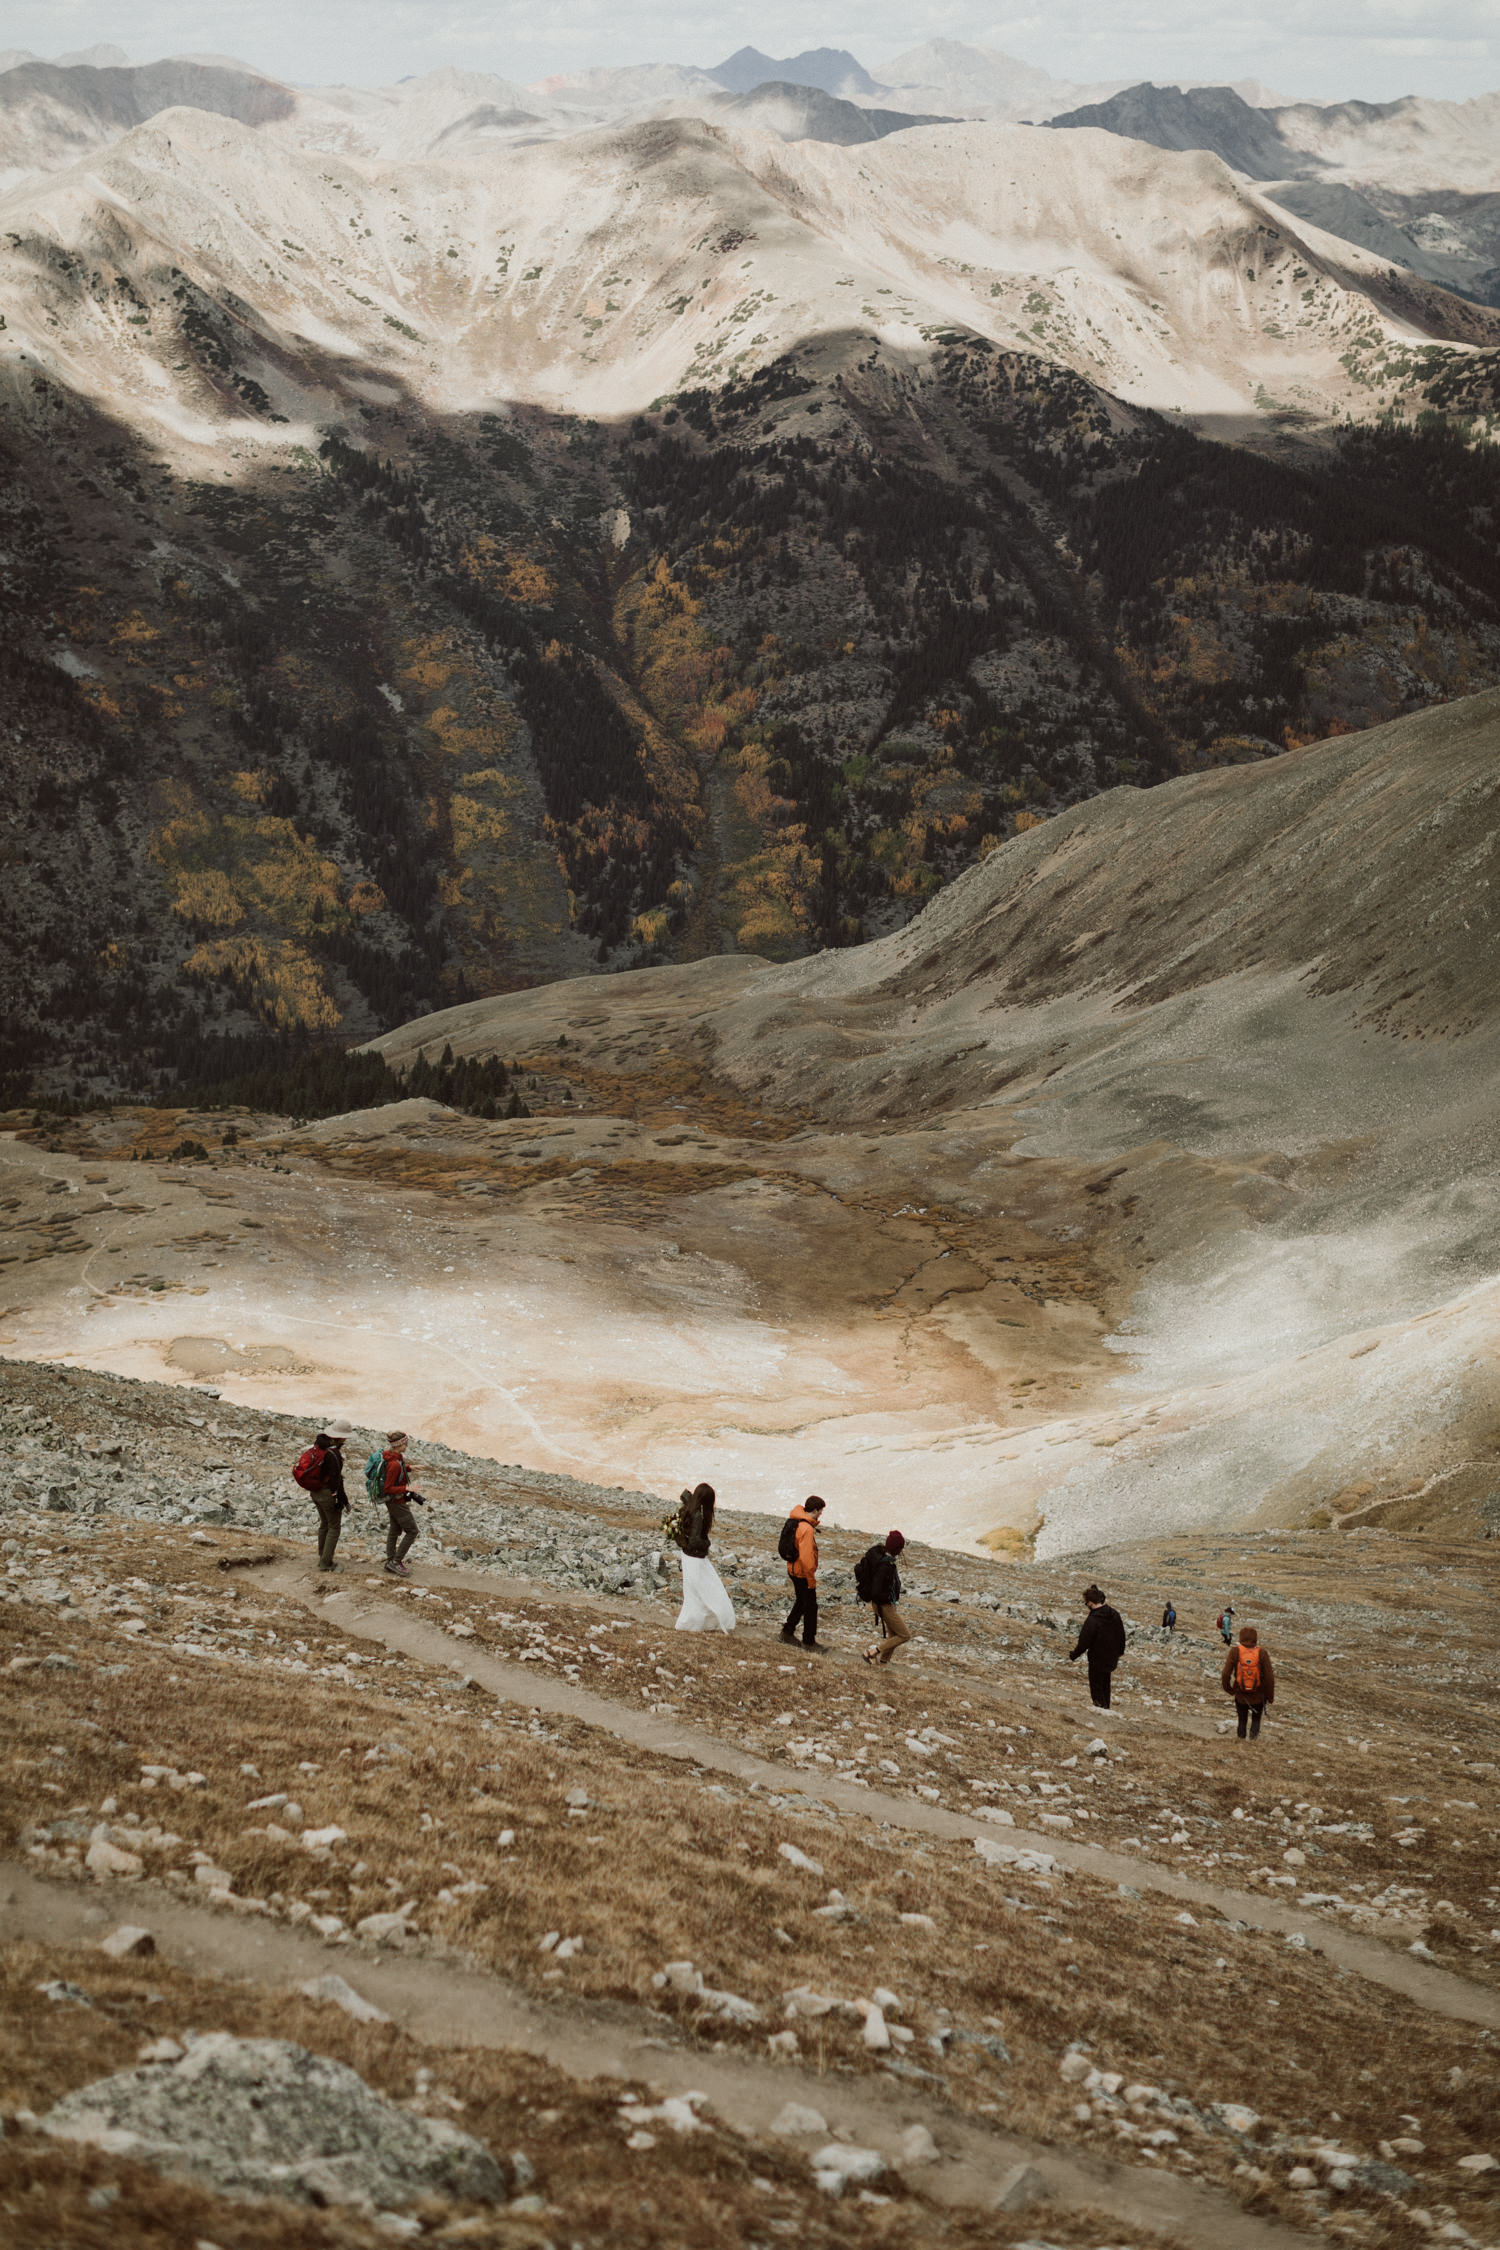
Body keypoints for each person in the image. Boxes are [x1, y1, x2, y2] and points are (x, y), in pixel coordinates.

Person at [674, 1481, 736, 1634]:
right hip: (696, 1558)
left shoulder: (689, 1508)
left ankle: (693, 1620)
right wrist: (707, 1543)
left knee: (693, 1590)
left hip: (687, 1556)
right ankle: (711, 1618)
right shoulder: (698, 1516)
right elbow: (695, 1540)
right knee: (711, 1588)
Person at [294, 1419, 353, 1573]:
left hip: (315, 1492)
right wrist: (342, 1501)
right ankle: (326, 1563)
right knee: (334, 1527)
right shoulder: (333, 1454)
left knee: (324, 1524)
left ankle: (322, 1555)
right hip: (327, 1494)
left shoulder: (318, 1448)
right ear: (339, 1437)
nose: (346, 1440)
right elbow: (336, 1480)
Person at [780, 1494, 826, 1653]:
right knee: (811, 1607)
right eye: (820, 1511)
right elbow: (806, 1558)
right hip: (801, 1573)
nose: (821, 1514)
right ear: (814, 1510)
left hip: (793, 1569)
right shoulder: (806, 1528)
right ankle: (809, 1642)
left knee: (801, 1601)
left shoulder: (797, 1521)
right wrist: (811, 1579)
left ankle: (787, 1632)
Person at [1068, 1583, 1126, 1708]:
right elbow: (1121, 1634)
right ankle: (1107, 1707)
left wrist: (1074, 1655)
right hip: (1111, 1658)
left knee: (1096, 1685)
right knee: (1106, 1684)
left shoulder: (1093, 1620)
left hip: (1097, 1658)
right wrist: (1120, 1652)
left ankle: (1101, 1709)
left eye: (1086, 1603)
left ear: (1090, 1603)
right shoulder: (1114, 1614)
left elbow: (1084, 1642)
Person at [859, 1530, 909, 1666]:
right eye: (900, 1548)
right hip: (884, 1606)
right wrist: (887, 1600)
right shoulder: (885, 1565)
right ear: (897, 1549)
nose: (901, 1551)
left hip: (885, 1605)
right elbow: (876, 1590)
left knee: (893, 1635)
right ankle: (872, 1651)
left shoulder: (886, 1561)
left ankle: (883, 1663)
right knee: (904, 1635)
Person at [380, 1430, 426, 1577]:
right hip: (397, 1502)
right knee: (412, 1531)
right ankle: (396, 1562)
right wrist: (406, 1488)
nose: (406, 1446)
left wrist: (410, 1468)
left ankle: (390, 1561)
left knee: (395, 1530)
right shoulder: (394, 1463)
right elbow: (388, 1487)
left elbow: (397, 1470)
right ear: (399, 1445)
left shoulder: (394, 1458)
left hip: (393, 1502)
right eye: (405, 1443)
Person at [1222, 1625, 1275, 1739]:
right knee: (1256, 1719)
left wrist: (1230, 1689)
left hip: (1241, 1695)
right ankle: (1253, 1740)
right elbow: (1269, 1678)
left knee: (1242, 1720)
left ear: (1241, 1637)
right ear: (1255, 1638)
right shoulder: (1262, 1653)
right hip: (1258, 1696)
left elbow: (1226, 1674)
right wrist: (1270, 1696)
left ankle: (1241, 1741)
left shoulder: (1235, 1651)